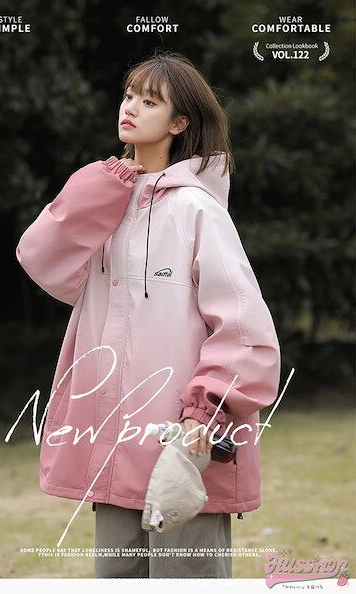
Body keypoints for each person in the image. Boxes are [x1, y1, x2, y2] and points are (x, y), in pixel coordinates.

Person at [15, 49, 281, 579]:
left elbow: (244, 329)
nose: (130, 107)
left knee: (185, 578)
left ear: (180, 122)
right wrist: (99, 187)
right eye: (129, 95)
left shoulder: (198, 210)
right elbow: (41, 258)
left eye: (150, 101)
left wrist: (205, 412)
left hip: (183, 440)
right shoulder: (107, 202)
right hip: (112, 438)